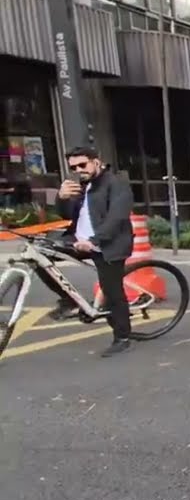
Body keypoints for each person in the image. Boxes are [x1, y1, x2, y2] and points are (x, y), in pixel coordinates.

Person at [44, 147, 136, 357]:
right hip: (79, 241)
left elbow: (117, 217)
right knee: (41, 254)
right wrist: (62, 198)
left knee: (112, 290)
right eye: (73, 167)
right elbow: (66, 215)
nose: (78, 170)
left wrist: (94, 241)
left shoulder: (116, 184)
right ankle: (68, 300)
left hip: (109, 244)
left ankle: (122, 337)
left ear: (96, 161)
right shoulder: (82, 186)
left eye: (82, 165)